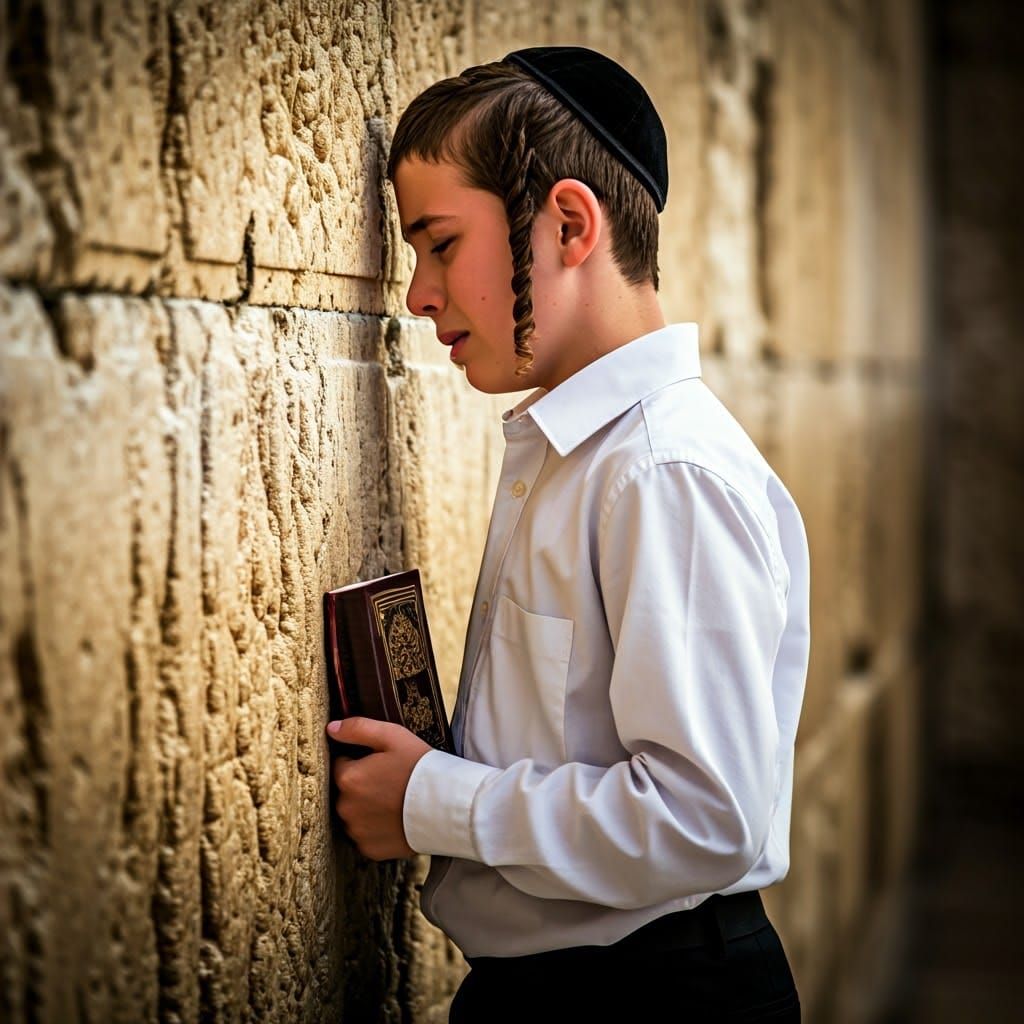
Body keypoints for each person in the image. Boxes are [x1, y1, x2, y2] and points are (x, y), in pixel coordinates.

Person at [326, 45, 810, 1023]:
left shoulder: (660, 470)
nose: (419, 294)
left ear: (568, 223)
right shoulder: (578, 453)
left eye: (440, 243)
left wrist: (434, 800)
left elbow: (704, 816)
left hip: (648, 998)